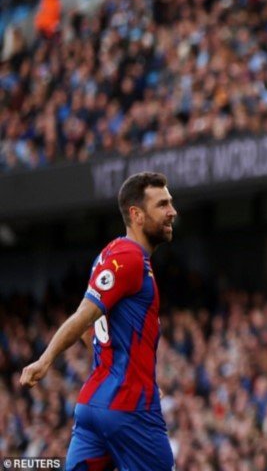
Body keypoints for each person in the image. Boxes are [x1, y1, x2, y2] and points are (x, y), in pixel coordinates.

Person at [20, 172, 178, 470]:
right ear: (137, 215)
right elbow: (84, 315)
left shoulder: (110, 254)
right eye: (162, 204)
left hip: (92, 406)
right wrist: (45, 360)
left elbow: (91, 328)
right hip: (130, 410)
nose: (172, 211)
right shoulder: (129, 259)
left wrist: (139, 374)